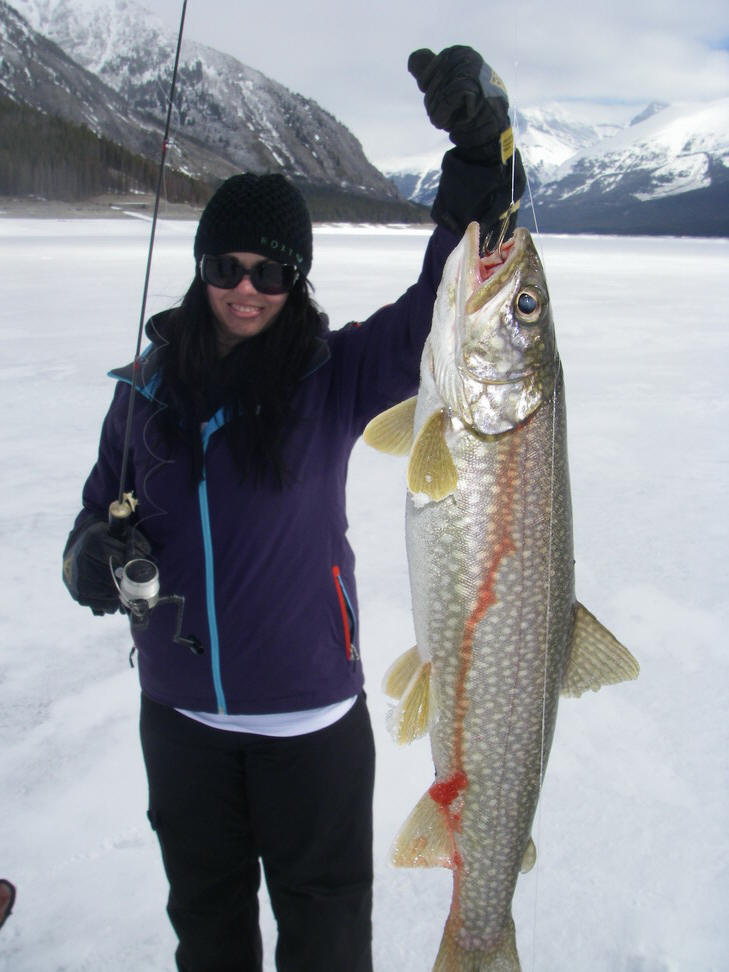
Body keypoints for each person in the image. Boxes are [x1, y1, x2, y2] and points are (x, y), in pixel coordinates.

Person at [62, 47, 524, 972]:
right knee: (208, 926)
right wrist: (91, 562)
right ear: (202, 269)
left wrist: (484, 152)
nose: (245, 288)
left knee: (324, 938)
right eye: (228, 267)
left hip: (309, 723)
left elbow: (453, 287)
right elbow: (88, 524)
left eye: (271, 274)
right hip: (180, 716)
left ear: (296, 282)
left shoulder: (336, 373)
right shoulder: (142, 391)